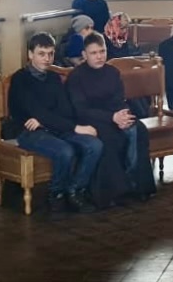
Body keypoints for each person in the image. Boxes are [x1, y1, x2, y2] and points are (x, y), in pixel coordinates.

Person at [6, 33, 101, 213]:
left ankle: (75, 190)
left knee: (94, 145)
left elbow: (65, 110)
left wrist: (43, 120)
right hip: (27, 131)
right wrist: (70, 126)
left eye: (50, 54)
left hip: (55, 127)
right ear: (30, 54)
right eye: (41, 54)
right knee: (65, 151)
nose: (47, 58)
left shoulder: (53, 78)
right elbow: (35, 110)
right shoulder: (20, 79)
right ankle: (56, 195)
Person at [67, 33, 157, 204]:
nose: (99, 56)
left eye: (102, 51)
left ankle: (137, 184)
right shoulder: (76, 77)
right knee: (111, 137)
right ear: (84, 55)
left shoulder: (112, 72)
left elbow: (119, 100)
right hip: (91, 120)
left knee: (138, 129)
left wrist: (123, 115)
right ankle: (116, 192)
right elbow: (81, 110)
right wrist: (112, 117)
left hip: (115, 115)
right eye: (94, 53)